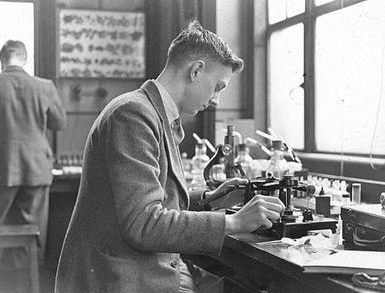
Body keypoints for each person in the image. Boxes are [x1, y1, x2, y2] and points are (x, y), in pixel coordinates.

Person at [55, 21, 284, 293]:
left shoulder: (155, 114)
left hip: (140, 268)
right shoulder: (134, 115)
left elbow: (155, 198)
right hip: (118, 279)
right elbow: (144, 223)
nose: (216, 101)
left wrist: (209, 199)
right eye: (218, 87)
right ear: (196, 70)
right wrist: (234, 222)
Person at [0, 40, 66, 268]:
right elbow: (59, 123)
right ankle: (27, 286)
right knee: (32, 238)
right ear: (25, 59)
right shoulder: (45, 86)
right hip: (35, 172)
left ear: (1, 61)